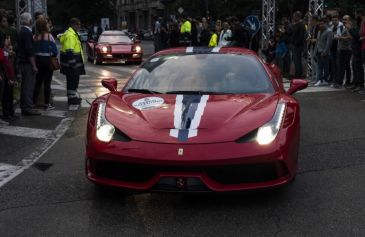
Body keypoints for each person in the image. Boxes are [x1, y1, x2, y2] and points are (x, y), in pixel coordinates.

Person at [17, 12, 40, 115]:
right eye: (31, 19)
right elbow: (29, 50)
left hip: (23, 62)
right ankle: (28, 108)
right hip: (27, 63)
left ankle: (25, 106)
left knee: (25, 86)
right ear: (29, 21)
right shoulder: (26, 32)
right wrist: (34, 65)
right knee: (28, 86)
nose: (32, 21)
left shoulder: (22, 31)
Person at [33, 18, 58, 110]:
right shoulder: (49, 37)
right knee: (47, 83)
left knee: (38, 83)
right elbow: (55, 51)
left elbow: (33, 50)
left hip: (38, 62)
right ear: (44, 25)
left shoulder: (35, 37)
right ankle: (47, 104)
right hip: (47, 62)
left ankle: (33, 102)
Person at [59, 18, 85, 105]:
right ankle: (71, 99)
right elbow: (69, 51)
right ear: (73, 25)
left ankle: (73, 96)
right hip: (72, 64)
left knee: (73, 81)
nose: (79, 26)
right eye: (78, 24)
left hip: (72, 64)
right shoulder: (70, 35)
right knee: (72, 81)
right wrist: (73, 63)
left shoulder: (73, 34)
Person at [314, 17, 333, 86]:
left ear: (326, 23)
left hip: (325, 53)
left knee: (326, 67)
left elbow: (329, 43)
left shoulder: (329, 31)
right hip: (319, 51)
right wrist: (316, 52)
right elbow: (317, 42)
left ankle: (325, 80)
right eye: (320, 24)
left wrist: (324, 52)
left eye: (322, 24)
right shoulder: (319, 31)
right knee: (320, 67)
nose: (320, 25)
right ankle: (320, 80)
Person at [347, 14, 364, 92]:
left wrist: (350, 29)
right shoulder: (357, 27)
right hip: (355, 49)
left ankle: (360, 84)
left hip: (358, 49)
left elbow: (356, 36)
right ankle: (356, 83)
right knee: (354, 66)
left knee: (358, 67)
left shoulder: (360, 27)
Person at [335, 15, 352, 88]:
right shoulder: (344, 27)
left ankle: (340, 82)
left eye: (345, 19)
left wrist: (340, 37)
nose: (344, 21)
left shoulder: (349, 27)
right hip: (343, 49)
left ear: (349, 20)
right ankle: (346, 81)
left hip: (346, 49)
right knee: (346, 66)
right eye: (343, 19)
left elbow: (350, 37)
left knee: (343, 66)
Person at [290, 11, 306, 78]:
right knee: (296, 61)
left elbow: (301, 36)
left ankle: (299, 74)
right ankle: (297, 73)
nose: (293, 17)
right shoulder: (295, 24)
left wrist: (295, 44)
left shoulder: (301, 25)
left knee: (298, 61)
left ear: (298, 16)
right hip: (294, 45)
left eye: (294, 16)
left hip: (298, 46)